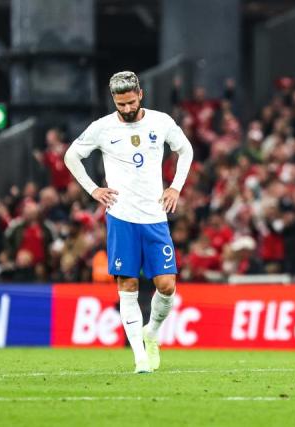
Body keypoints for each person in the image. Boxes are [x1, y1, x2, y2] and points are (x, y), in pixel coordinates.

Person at [64, 71, 193, 373]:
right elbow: (71, 156)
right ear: (114, 100)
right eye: (120, 104)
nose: (126, 109)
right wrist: (93, 189)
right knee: (128, 284)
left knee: (167, 286)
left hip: (155, 216)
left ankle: (152, 332)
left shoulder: (160, 122)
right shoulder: (101, 128)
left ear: (141, 95)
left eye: (130, 102)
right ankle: (140, 358)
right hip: (121, 217)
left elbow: (185, 149)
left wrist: (175, 186)